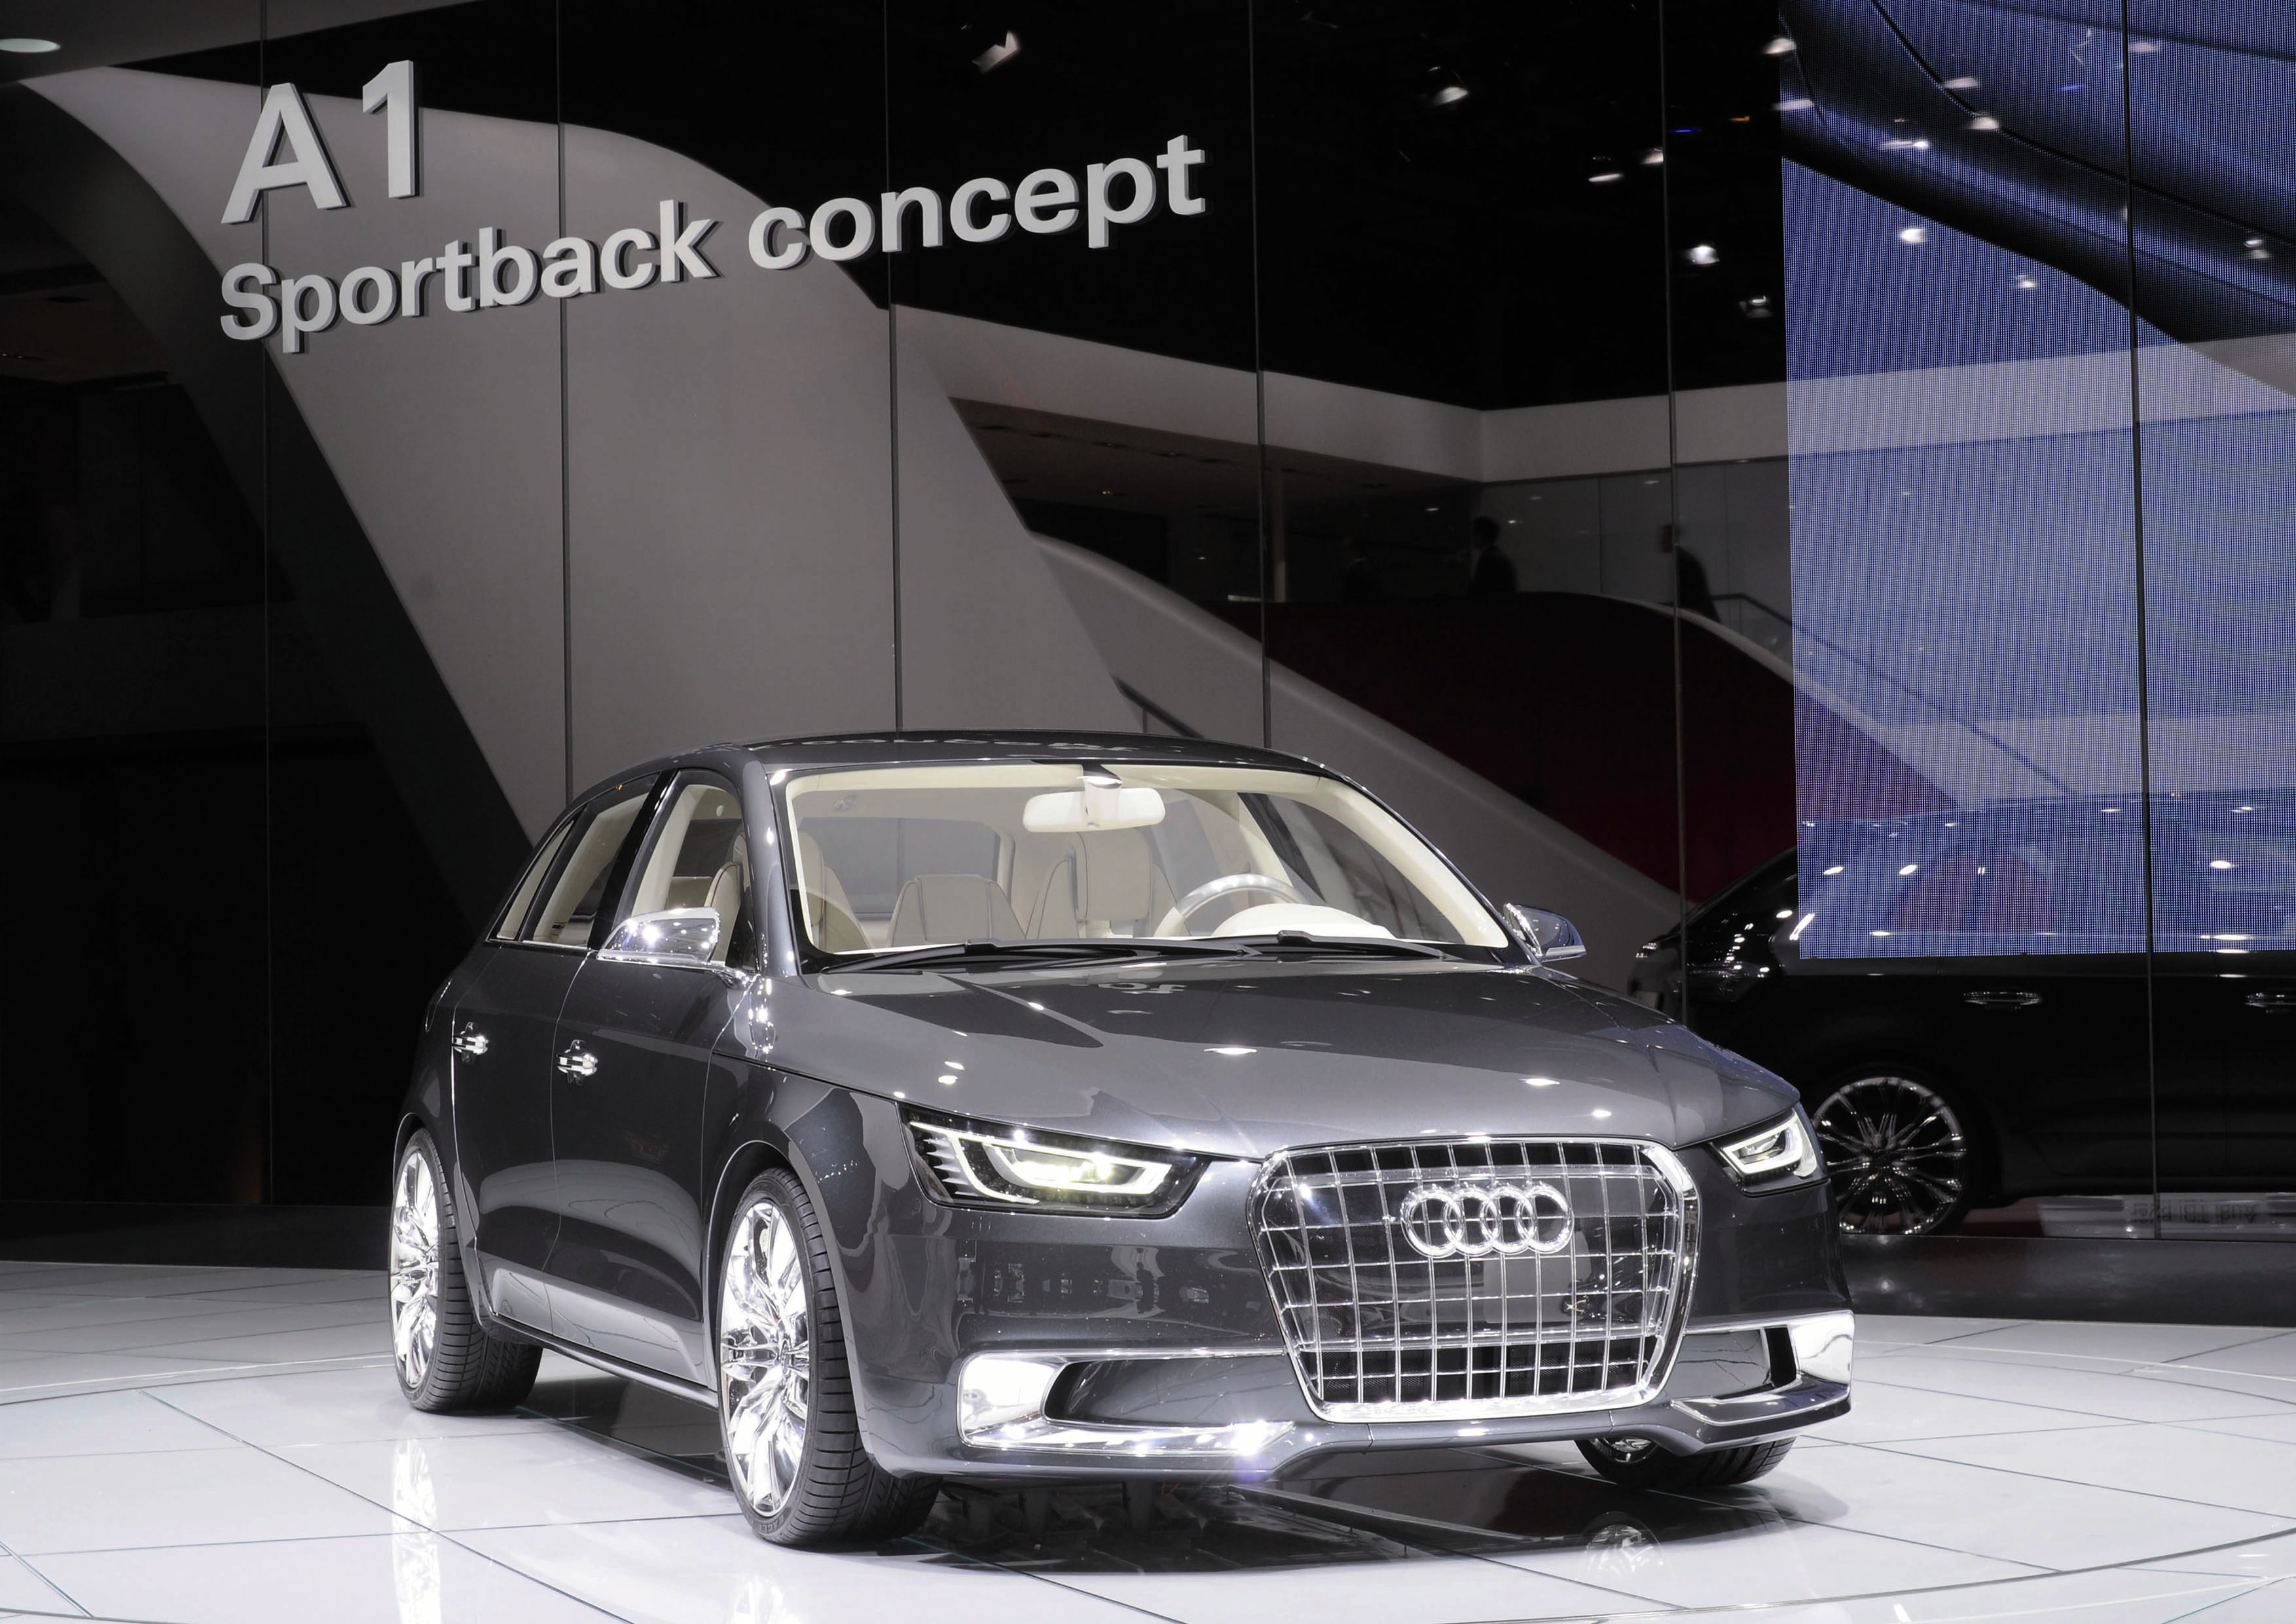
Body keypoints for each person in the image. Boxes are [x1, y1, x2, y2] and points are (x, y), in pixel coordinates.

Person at [1466, 515, 1517, 598]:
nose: (1471, 538)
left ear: (1481, 536)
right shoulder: (1498, 556)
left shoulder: (1488, 559)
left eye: (1474, 534)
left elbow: (1480, 590)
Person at [1339, 535, 1383, 601]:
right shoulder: (1369, 568)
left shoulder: (1356, 572)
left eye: (1344, 550)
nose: (1341, 554)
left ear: (1354, 550)